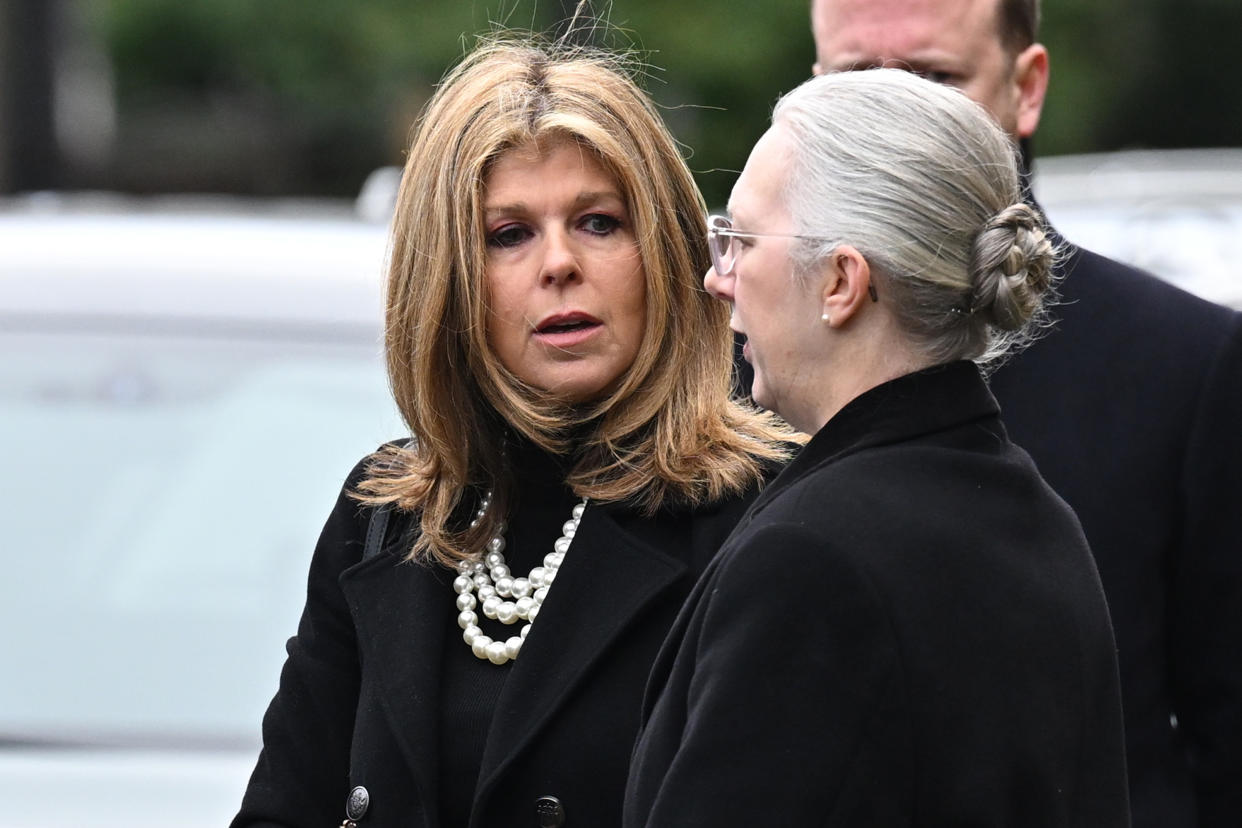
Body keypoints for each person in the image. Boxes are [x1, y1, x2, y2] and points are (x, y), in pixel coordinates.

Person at [230, 38, 793, 828]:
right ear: (449, 276)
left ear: (663, 253)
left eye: (599, 222)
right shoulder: (385, 515)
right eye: (509, 235)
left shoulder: (762, 510)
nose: (559, 263)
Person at [623, 68, 1131, 827]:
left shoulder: (813, 559)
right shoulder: (1038, 520)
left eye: (738, 240)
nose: (716, 277)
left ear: (841, 282)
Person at [809, 2, 1242, 825]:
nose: (897, 121)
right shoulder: (740, 372)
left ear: (1027, 86)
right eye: (857, 81)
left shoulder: (1187, 365)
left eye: (934, 79)